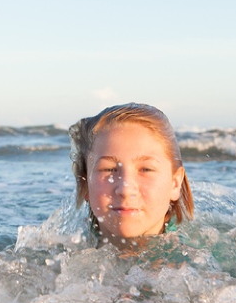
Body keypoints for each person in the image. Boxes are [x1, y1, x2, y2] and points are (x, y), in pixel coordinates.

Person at [69, 103, 194, 249]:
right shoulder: (55, 255)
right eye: (109, 169)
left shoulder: (197, 266)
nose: (125, 190)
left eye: (146, 169)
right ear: (85, 185)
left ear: (175, 183)